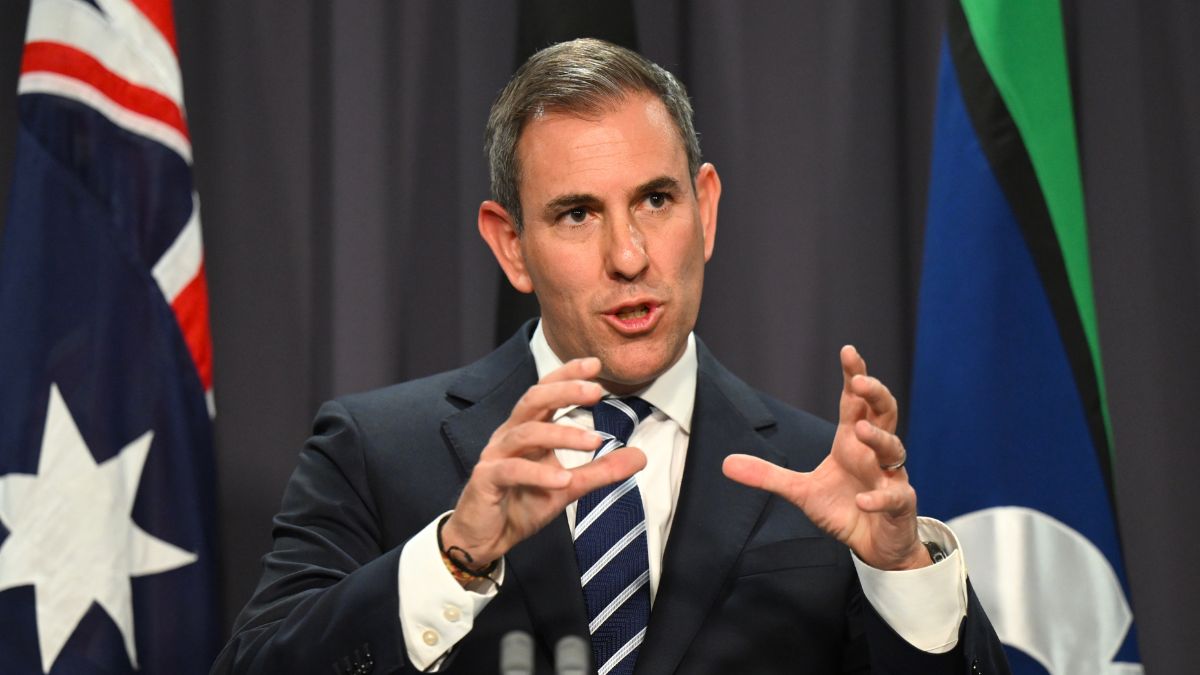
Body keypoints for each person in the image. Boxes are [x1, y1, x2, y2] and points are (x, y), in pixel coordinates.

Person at [212, 39, 1009, 674]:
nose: (628, 256)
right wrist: (455, 555)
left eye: (655, 201)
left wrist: (902, 573)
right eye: (576, 214)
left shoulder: (818, 472)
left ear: (707, 209)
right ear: (510, 244)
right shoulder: (376, 449)